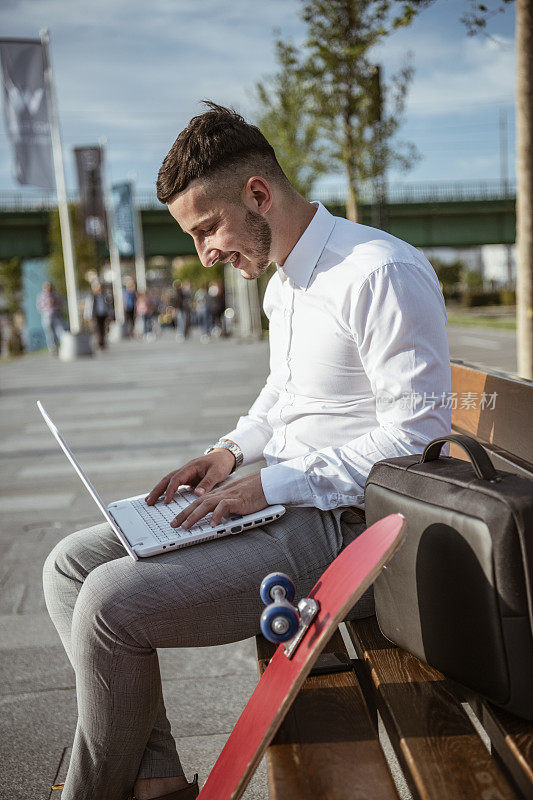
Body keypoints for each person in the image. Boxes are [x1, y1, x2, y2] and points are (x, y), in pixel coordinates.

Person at [43, 102, 451, 800]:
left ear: (257, 194)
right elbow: (283, 394)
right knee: (68, 567)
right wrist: (231, 452)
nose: (205, 254)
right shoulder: (285, 283)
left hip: (349, 529)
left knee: (111, 605)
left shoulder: (376, 271)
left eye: (206, 228)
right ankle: (157, 779)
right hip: (289, 500)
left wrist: (272, 485)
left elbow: (417, 439)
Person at [36, 281, 65, 356]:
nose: (48, 288)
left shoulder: (56, 295)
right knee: (49, 333)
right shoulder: (41, 296)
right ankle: (53, 349)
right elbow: (39, 307)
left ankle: (64, 346)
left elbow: (61, 304)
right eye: (47, 287)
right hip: (47, 315)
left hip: (56, 314)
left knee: (60, 331)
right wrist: (47, 304)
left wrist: (55, 304)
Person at [84, 282, 113, 350]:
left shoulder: (105, 295)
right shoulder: (91, 296)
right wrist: (87, 316)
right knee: (97, 329)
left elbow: (109, 305)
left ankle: (103, 342)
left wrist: (110, 314)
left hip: (104, 314)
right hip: (96, 315)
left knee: (104, 329)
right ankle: (100, 343)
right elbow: (88, 307)